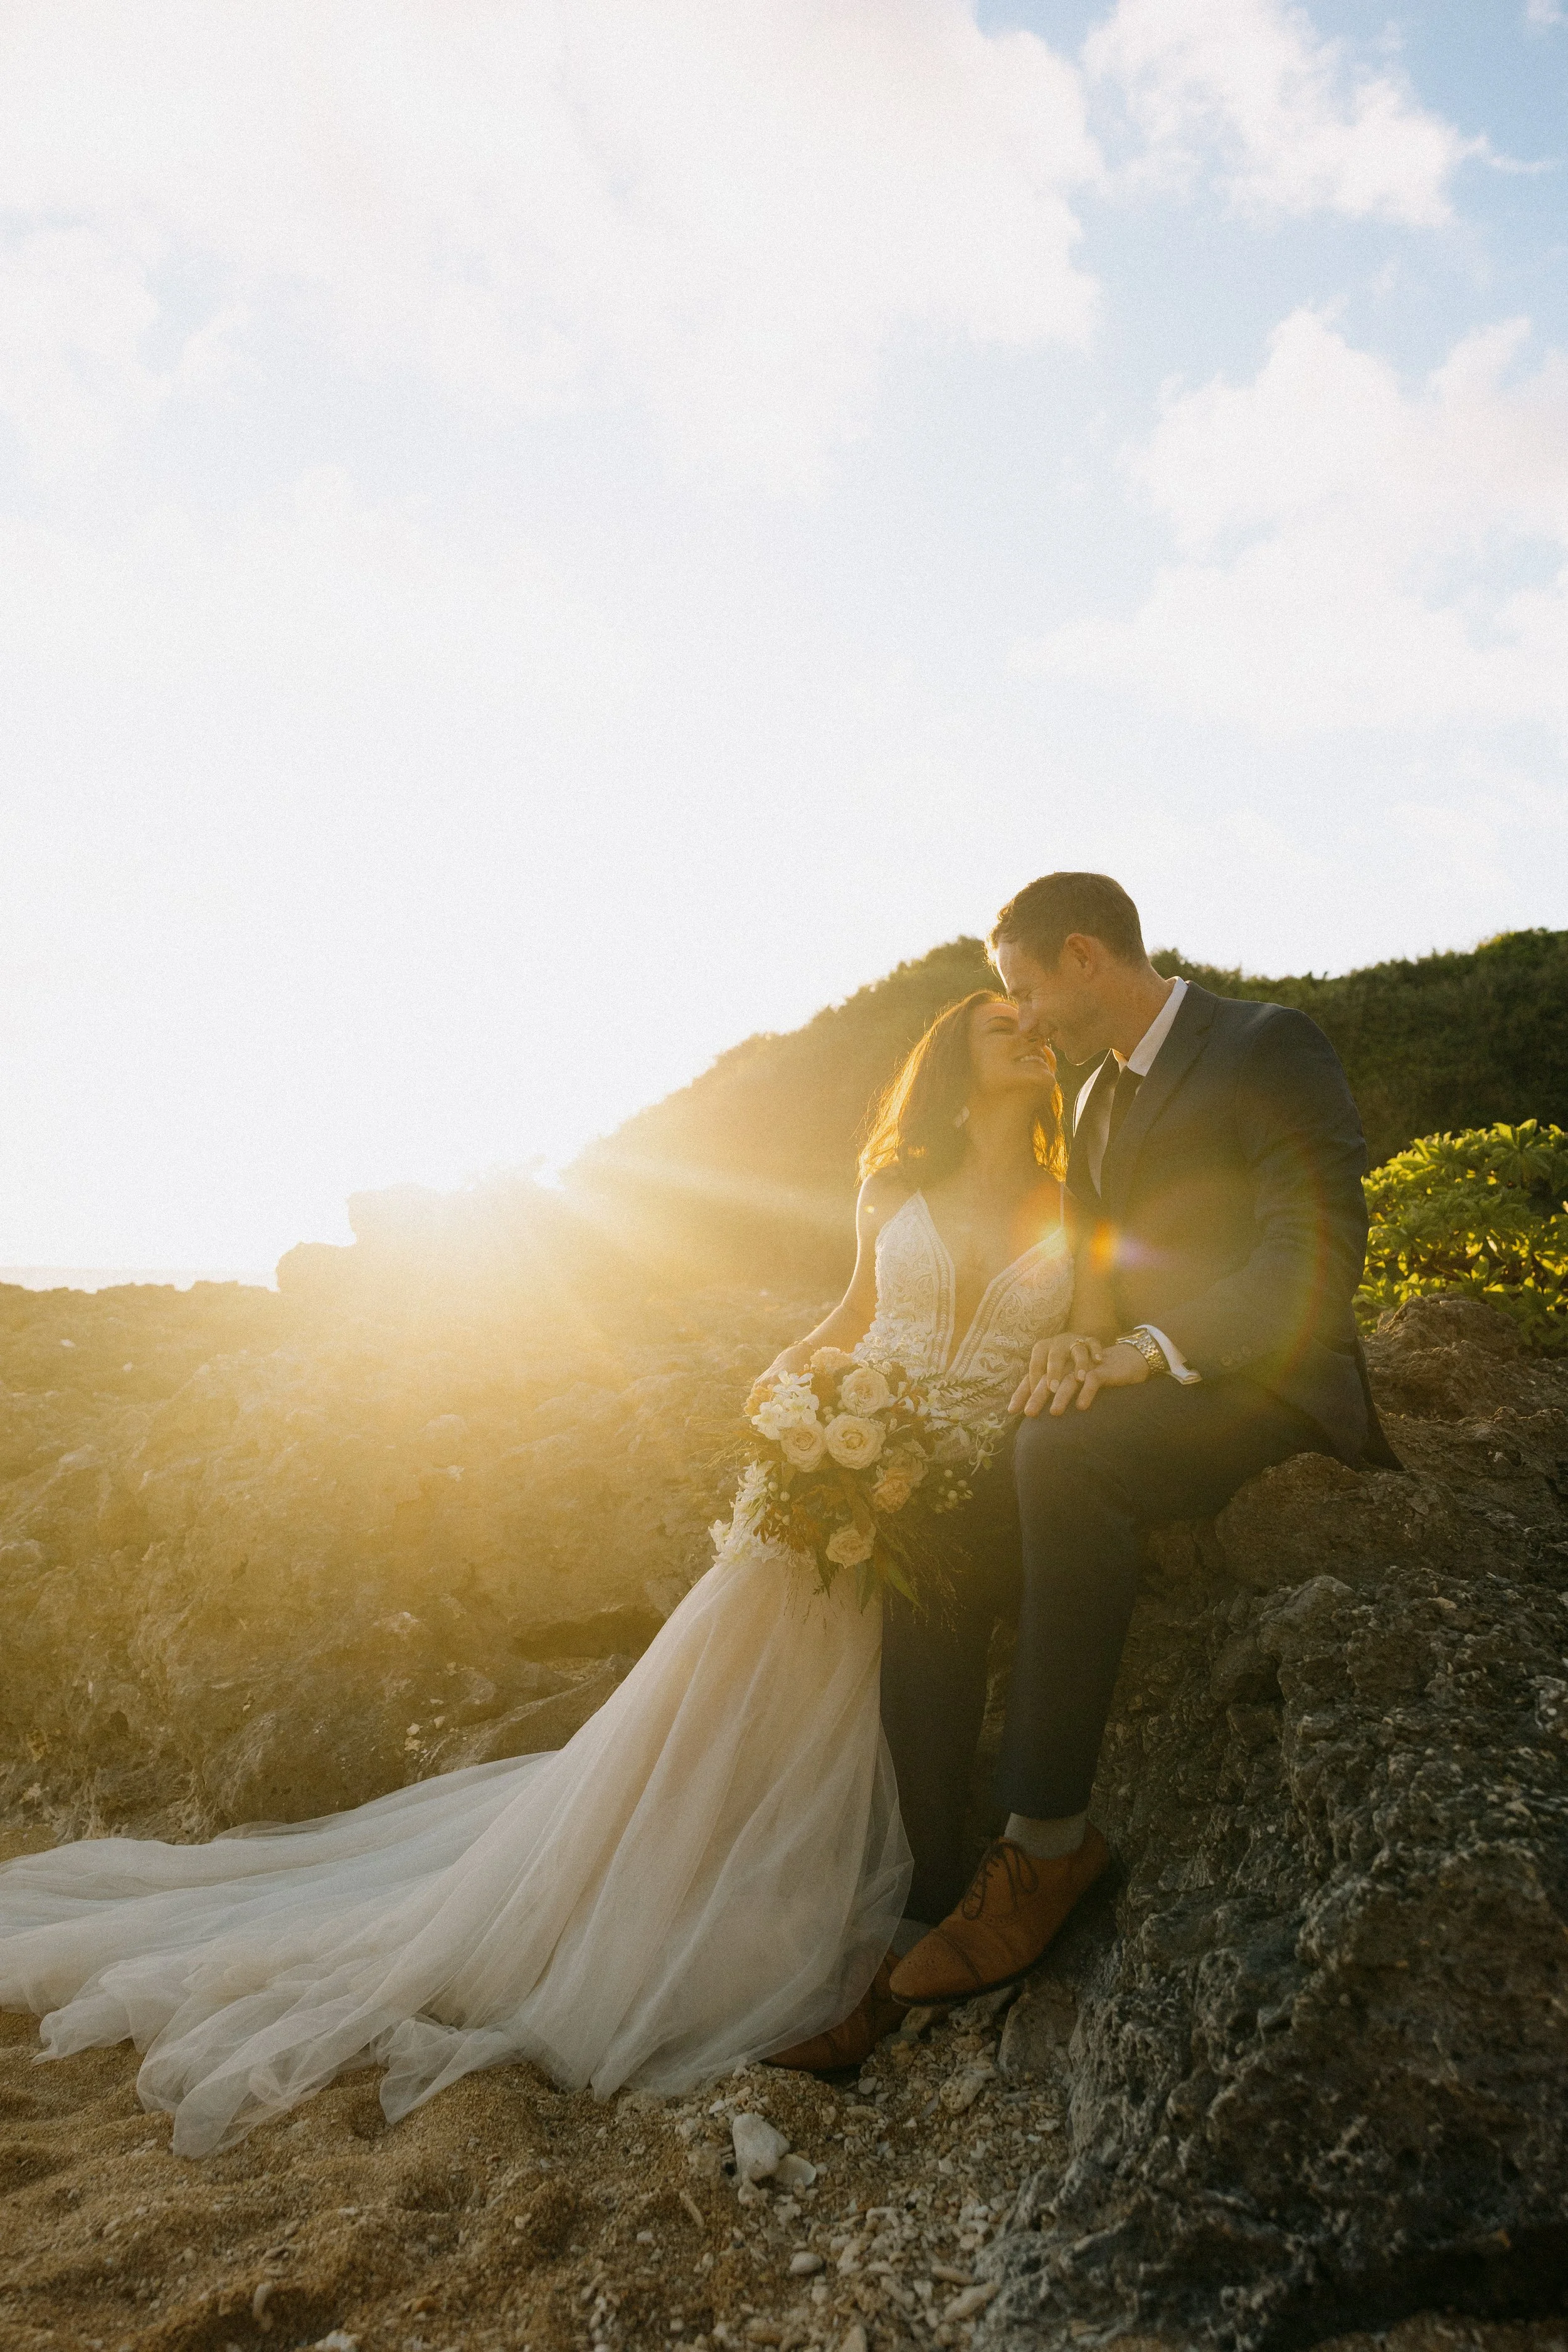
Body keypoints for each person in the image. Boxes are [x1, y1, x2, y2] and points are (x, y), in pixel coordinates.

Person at [0, 992, 1071, 2153]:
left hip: (955, 1503)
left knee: (875, 1724)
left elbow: (1091, 1321)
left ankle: (865, 1954)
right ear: (953, 1068)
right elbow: (853, 1315)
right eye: (992, 1023)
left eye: (1032, 1021)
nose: (1023, 1029)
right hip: (830, 1490)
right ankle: (720, 1944)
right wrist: (787, 1404)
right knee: (720, 1737)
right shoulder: (892, 1190)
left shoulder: (1079, 1201)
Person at [887, 872, 1396, 2010]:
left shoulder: (1269, 1043)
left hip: (1275, 1384)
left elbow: (1312, 1254)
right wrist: (1083, 1347)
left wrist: (1150, 1350)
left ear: (1084, 958)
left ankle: (1047, 1836)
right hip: (1154, 1371)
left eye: (1024, 988)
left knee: (1068, 1458)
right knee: (940, 1517)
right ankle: (918, 1892)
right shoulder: (1088, 1101)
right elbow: (1107, 1273)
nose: (1020, 1017)